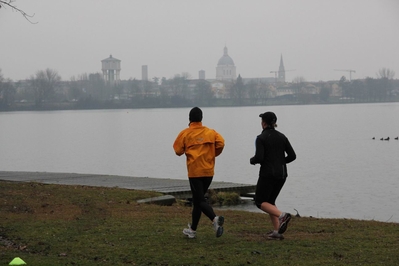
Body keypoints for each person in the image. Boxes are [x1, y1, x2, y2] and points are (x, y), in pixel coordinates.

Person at [173, 107, 225, 239]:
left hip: (195, 172)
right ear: (201, 118)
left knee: (200, 200)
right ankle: (193, 230)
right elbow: (221, 143)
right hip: (208, 171)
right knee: (197, 201)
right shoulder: (211, 132)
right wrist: (212, 154)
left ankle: (215, 219)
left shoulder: (185, 133)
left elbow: (178, 151)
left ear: (189, 119)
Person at [250, 111, 296, 240]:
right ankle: (277, 231)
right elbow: (293, 156)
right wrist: (281, 162)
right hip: (282, 174)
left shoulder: (261, 138)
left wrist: (252, 160)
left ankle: (282, 215)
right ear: (274, 123)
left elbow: (259, 157)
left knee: (259, 201)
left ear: (263, 123)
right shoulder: (282, 137)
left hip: (268, 174)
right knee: (270, 202)